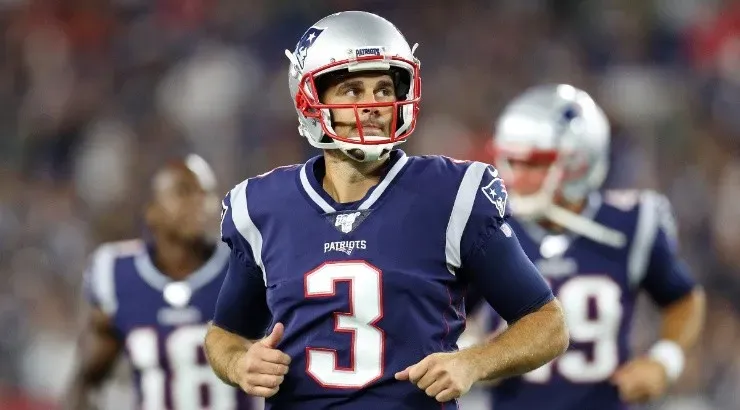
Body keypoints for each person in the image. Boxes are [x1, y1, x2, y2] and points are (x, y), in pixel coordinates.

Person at [204, 11, 569, 410]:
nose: (373, 105)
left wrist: (473, 362)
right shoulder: (262, 205)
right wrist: (240, 364)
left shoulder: (452, 194)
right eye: (352, 90)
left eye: (383, 89)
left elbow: (547, 323)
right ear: (311, 100)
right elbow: (225, 334)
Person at [468, 84, 706, 410]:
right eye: (510, 162)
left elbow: (683, 298)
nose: (514, 177)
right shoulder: (490, 226)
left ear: (579, 164)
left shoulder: (631, 223)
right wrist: (473, 354)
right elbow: (442, 314)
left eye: (533, 164)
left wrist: (664, 361)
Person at [65, 155, 256, 410]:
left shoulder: (245, 267)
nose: (201, 203)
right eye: (184, 192)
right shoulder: (117, 274)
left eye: (206, 193)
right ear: (152, 211)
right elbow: (85, 381)